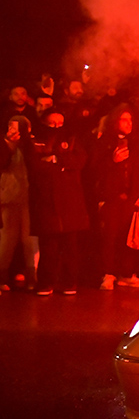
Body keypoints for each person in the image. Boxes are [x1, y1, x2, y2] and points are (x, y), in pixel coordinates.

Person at [24, 109, 89, 295]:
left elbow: (80, 159)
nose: (57, 127)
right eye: (52, 123)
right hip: (45, 200)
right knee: (48, 245)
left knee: (70, 246)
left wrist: (57, 159)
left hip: (70, 200)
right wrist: (57, 165)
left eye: (60, 123)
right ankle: (46, 282)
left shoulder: (73, 138)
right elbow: (35, 164)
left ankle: (70, 282)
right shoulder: (35, 140)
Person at [93, 106, 139, 289]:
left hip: (131, 197)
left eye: (130, 120)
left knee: (130, 237)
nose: (128, 124)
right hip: (111, 198)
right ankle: (107, 273)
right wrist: (112, 162)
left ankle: (126, 273)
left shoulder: (136, 143)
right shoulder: (103, 143)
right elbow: (93, 171)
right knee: (109, 237)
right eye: (124, 120)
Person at [1, 116, 38, 291]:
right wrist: (8, 144)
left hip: (29, 197)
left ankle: (32, 276)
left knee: (30, 239)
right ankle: (2, 275)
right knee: (7, 238)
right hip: (10, 197)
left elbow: (35, 166)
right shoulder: (4, 144)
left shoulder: (31, 145)